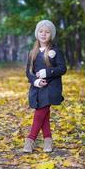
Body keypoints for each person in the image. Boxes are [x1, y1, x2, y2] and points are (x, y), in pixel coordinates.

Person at [23, 20, 67, 153]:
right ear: (37, 34)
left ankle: (30, 139)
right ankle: (48, 141)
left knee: (40, 113)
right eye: (41, 31)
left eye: (47, 32)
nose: (44, 34)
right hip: (38, 88)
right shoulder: (32, 52)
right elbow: (28, 72)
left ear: (51, 35)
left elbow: (62, 68)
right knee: (44, 115)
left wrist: (47, 72)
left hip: (51, 87)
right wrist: (35, 81)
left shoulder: (55, 51)